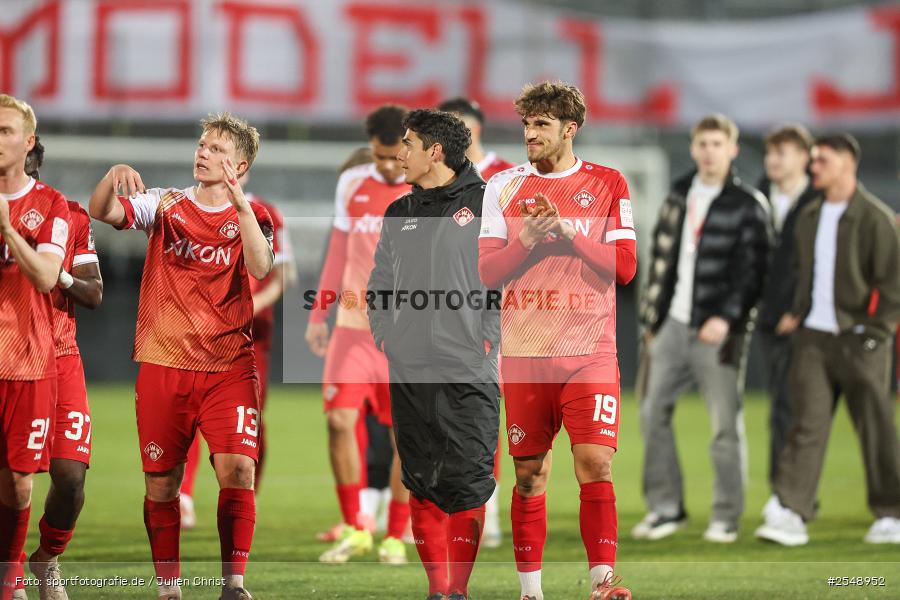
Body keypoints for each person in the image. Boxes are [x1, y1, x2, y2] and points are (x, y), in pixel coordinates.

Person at [88, 113, 274, 600]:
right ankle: (169, 588)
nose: (203, 153)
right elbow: (103, 212)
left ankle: (233, 583)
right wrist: (112, 176)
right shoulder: (165, 204)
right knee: (162, 483)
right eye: (202, 144)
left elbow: (260, 265)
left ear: (240, 163)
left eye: (215, 148)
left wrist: (241, 209)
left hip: (229, 365)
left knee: (238, 468)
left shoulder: (254, 216)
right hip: (164, 363)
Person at [479, 81, 636, 600]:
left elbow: (626, 268)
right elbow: (485, 272)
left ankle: (603, 583)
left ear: (570, 129)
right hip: (524, 352)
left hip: (590, 352)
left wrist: (568, 232)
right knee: (528, 475)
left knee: (595, 461)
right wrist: (527, 239)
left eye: (542, 125)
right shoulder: (501, 186)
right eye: (527, 125)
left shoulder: (610, 183)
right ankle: (531, 591)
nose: (531, 134)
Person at [368, 108, 500, 600]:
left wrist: (486, 336)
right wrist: (387, 335)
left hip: (469, 366)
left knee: (467, 481)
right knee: (421, 479)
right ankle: (437, 590)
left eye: (408, 144)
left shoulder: (489, 203)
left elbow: (508, 278)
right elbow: (380, 283)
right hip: (409, 367)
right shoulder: (399, 213)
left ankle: (459, 591)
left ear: (435, 152)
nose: (399, 153)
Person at [755, 134, 900, 546]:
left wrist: (876, 334)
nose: (813, 166)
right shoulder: (810, 216)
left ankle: (892, 514)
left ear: (848, 162)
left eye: (822, 160)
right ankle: (792, 513)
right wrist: (799, 315)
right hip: (813, 340)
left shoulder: (875, 217)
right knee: (806, 426)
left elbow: (893, 285)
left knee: (876, 428)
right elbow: (805, 274)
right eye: (813, 160)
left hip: (860, 341)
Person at [635, 113, 770, 544]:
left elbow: (753, 272)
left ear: (732, 149)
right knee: (651, 413)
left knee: (724, 425)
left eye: (717, 144)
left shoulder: (748, 204)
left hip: (718, 331)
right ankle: (665, 509)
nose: (709, 152)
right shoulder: (678, 193)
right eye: (703, 144)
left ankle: (726, 517)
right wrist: (652, 319)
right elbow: (659, 259)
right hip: (671, 324)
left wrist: (726, 318)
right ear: (693, 148)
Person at [306, 105, 413, 564]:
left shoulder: (428, 183)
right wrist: (317, 314)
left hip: (407, 333)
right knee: (338, 421)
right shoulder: (352, 183)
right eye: (379, 156)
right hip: (352, 326)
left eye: (394, 156)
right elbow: (339, 248)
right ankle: (356, 526)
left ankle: (396, 533)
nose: (387, 166)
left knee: (406, 437)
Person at [179, 172, 294, 528]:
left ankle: (247, 497)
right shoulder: (188, 209)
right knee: (188, 413)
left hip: (251, 335)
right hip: (199, 333)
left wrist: (249, 307)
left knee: (251, 420)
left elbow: (284, 275)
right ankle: (183, 497)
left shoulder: (268, 213)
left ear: (242, 166)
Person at [16, 137, 103, 600]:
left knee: (70, 477)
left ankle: (47, 558)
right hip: (11, 356)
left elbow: (93, 293)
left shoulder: (68, 214)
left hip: (60, 355)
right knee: (15, 477)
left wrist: (56, 274)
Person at [0, 94, 69, 600]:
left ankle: (12, 574)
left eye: (5, 131)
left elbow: (47, 276)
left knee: (20, 484)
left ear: (28, 142)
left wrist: (5, 226)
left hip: (26, 360)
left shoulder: (51, 204)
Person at [438, 96, 514, 548]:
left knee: (486, 407)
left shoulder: (504, 174)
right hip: (445, 307)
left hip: (493, 305)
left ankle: (490, 507)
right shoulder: (435, 178)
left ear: (478, 128)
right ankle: (445, 502)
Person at [755, 124, 818, 486]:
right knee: (782, 406)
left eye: (782, 153)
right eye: (770, 153)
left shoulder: (821, 199)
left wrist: (799, 308)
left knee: (803, 409)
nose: (772, 160)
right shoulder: (760, 195)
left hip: (811, 321)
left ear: (805, 158)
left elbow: (819, 264)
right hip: (771, 319)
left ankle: (793, 491)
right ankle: (785, 491)